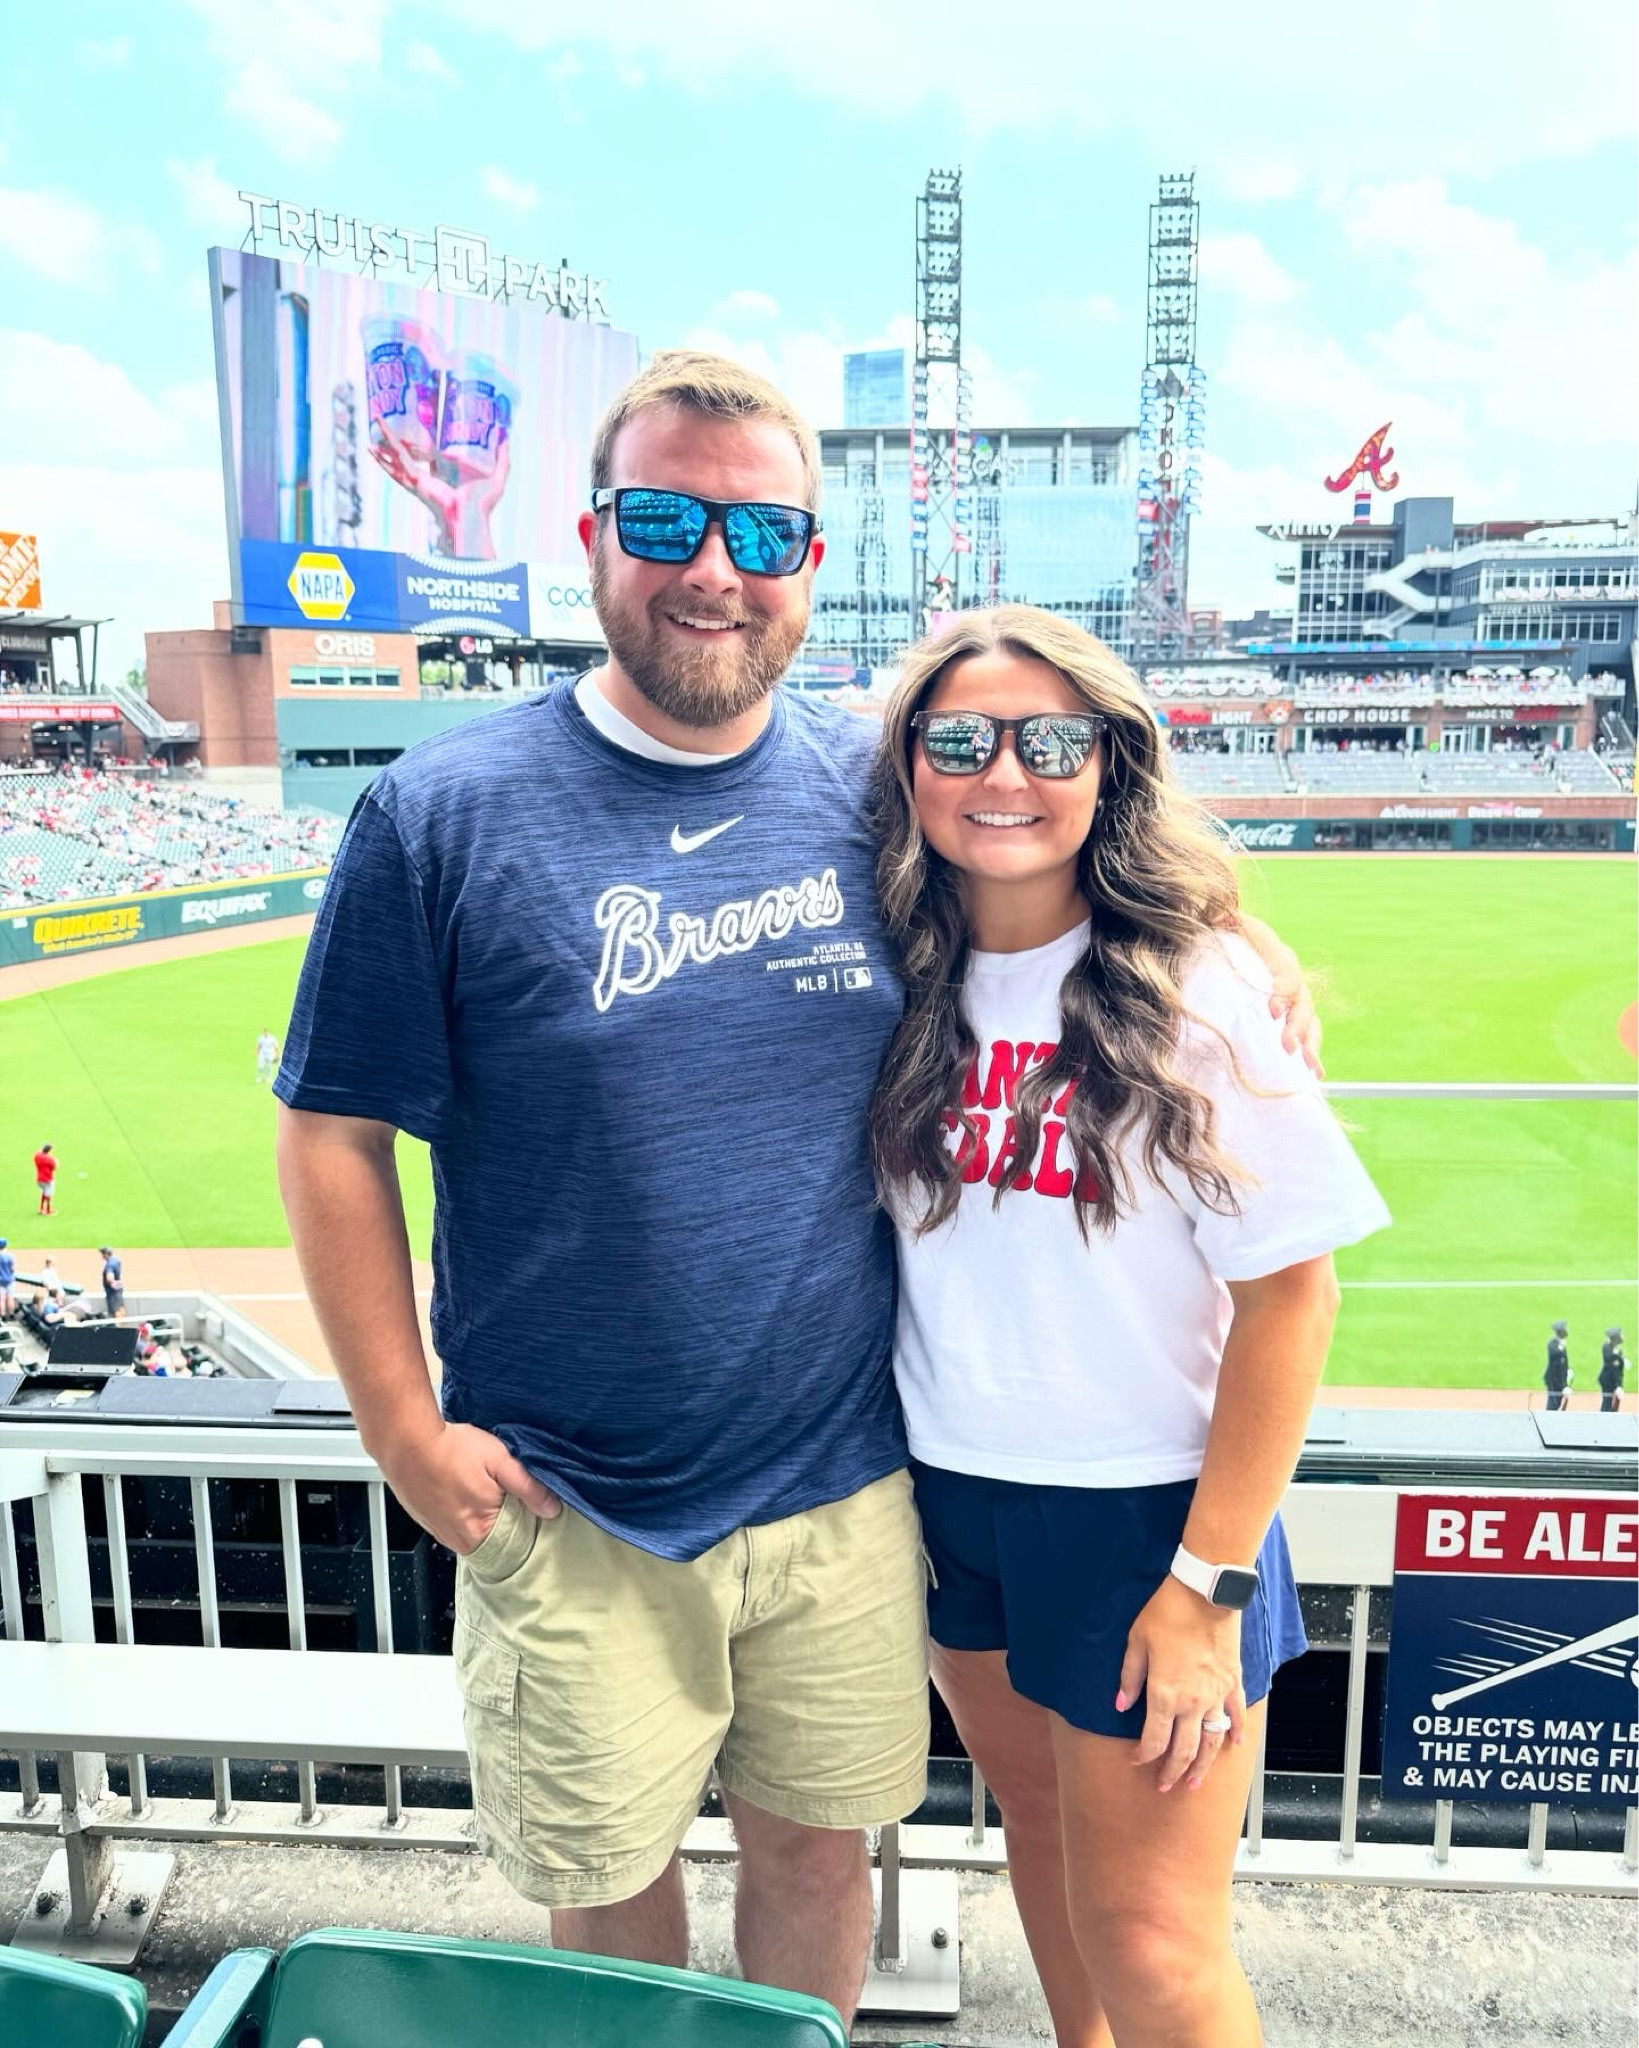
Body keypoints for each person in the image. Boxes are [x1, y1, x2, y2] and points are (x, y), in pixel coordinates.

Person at [274, 352, 1319, 2019]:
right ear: (593, 532)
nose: (713, 568)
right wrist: (397, 1423)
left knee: (820, 1858)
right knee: (611, 1896)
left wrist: (1216, 925)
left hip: (843, 1484)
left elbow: (1065, 862)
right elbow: (331, 1129)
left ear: (810, 563)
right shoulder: (437, 814)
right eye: (669, 519)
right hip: (572, 1491)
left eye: (761, 533)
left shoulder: (875, 790)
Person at [868, 607, 1389, 2048]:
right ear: (910, 764)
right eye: (961, 740)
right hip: (954, 1494)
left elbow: (1293, 1293)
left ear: (1109, 764)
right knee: (1036, 1840)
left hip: (1148, 1520)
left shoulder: (1194, 994)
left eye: (1051, 741)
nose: (1005, 774)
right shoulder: (892, 974)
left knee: (1155, 1939)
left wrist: (1205, 1585)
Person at [1544, 1320, 1571, 1411]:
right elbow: (1557, 1369)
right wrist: (1563, 1386)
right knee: (1553, 1405)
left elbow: (1563, 1367)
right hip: (1553, 1382)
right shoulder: (1554, 1345)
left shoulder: (1561, 1344)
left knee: (1557, 1403)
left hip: (1558, 1381)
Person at [1599, 1327, 1626, 1413]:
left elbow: (1619, 1371)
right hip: (1608, 1381)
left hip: (1614, 1381)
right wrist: (1617, 1385)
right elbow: (1611, 1364)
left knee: (1615, 1405)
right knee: (1607, 1403)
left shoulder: (1618, 1350)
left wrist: (1619, 1385)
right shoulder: (1607, 1348)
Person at [100, 1247, 125, 1319]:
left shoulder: (109, 1265)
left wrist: (111, 1283)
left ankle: (119, 1328)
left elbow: (110, 1278)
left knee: (116, 1311)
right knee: (120, 1307)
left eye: (103, 1254)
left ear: (106, 1254)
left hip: (112, 1292)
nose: (102, 1256)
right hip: (119, 1289)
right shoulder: (116, 1260)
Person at [33, 1142, 56, 1216]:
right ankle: (48, 1210)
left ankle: (41, 1209)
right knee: (48, 1194)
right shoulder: (50, 1159)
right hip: (47, 1179)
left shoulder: (37, 1156)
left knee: (44, 1192)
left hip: (39, 1179)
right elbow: (54, 1167)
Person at [0, 1237, 14, 1320]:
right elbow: (13, 1269)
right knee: (10, 1297)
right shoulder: (10, 1255)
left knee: (1, 1298)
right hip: (10, 1280)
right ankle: (11, 1314)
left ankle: (3, 1315)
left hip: (0, 1280)